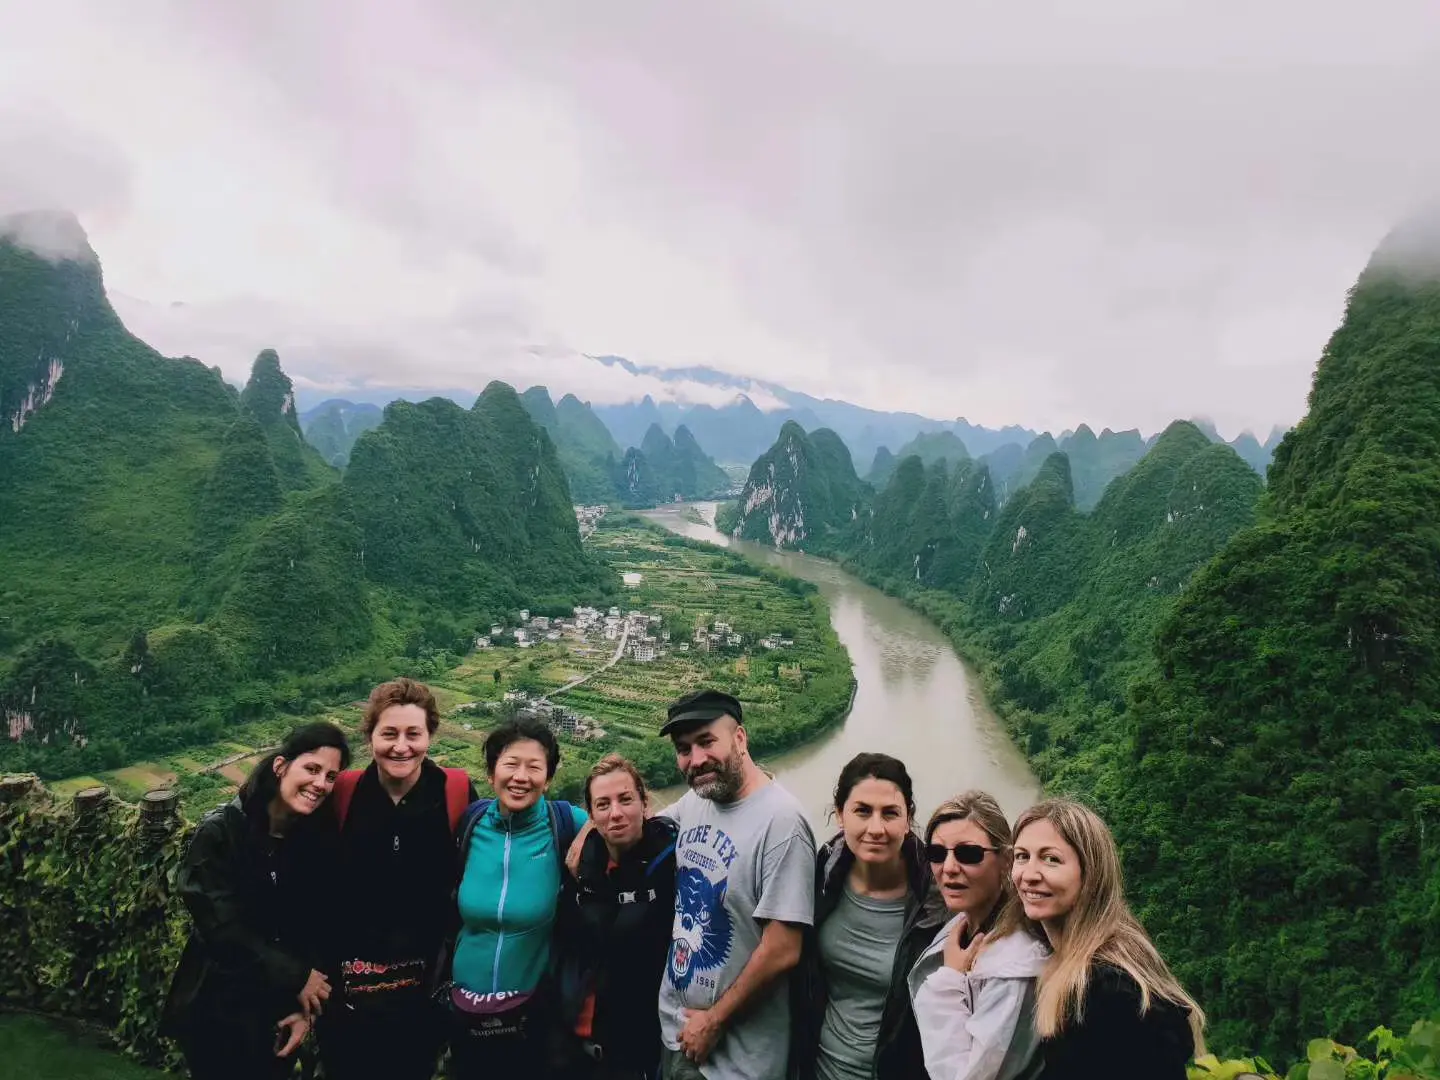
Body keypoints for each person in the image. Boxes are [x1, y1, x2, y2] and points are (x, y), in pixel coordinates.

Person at [161, 722, 350, 1080]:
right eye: (311, 769)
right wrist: (299, 978)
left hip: (278, 1012)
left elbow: (319, 925)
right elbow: (223, 930)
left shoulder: (313, 840)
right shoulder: (220, 833)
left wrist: (304, 1009)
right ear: (281, 766)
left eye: (330, 776)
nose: (320, 784)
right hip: (220, 1010)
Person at [318, 678, 479, 1080]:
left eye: (414, 734)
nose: (401, 746)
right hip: (348, 992)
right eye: (388, 733)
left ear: (431, 735)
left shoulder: (455, 792)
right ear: (370, 735)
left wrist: (582, 829)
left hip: (423, 990)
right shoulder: (344, 793)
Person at [655, 688, 816, 1080]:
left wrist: (714, 1020)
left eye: (707, 742)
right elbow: (641, 821)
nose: (696, 759)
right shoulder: (696, 801)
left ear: (739, 739)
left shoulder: (782, 822)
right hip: (676, 1031)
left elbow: (782, 948)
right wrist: (588, 826)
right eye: (683, 749)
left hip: (737, 1057)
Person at [1006, 799, 1205, 1079]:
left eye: (1051, 859)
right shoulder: (1074, 954)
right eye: (1022, 856)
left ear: (1090, 875)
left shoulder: (1110, 992)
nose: (1029, 875)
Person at [446, 715, 588, 1079]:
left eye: (534, 767)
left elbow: (627, 828)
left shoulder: (566, 823)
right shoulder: (471, 824)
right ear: (492, 772)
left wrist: (591, 829)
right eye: (510, 764)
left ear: (549, 778)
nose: (521, 777)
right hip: (466, 1009)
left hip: (533, 1015)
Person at [797, 753, 945, 1080]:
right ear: (840, 815)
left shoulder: (938, 901)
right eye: (862, 811)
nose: (875, 828)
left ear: (908, 820)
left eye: (890, 813)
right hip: (820, 1069)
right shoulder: (821, 876)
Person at [906, 791, 1050, 1080]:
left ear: (1006, 860)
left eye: (968, 854)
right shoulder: (965, 923)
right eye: (936, 854)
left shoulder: (1016, 964)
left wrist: (948, 979)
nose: (948, 868)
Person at [555, 754, 678, 1080]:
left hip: (636, 1051)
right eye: (603, 804)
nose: (616, 814)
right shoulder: (580, 865)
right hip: (571, 1046)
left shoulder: (672, 862)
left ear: (644, 802)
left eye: (626, 800)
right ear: (591, 814)